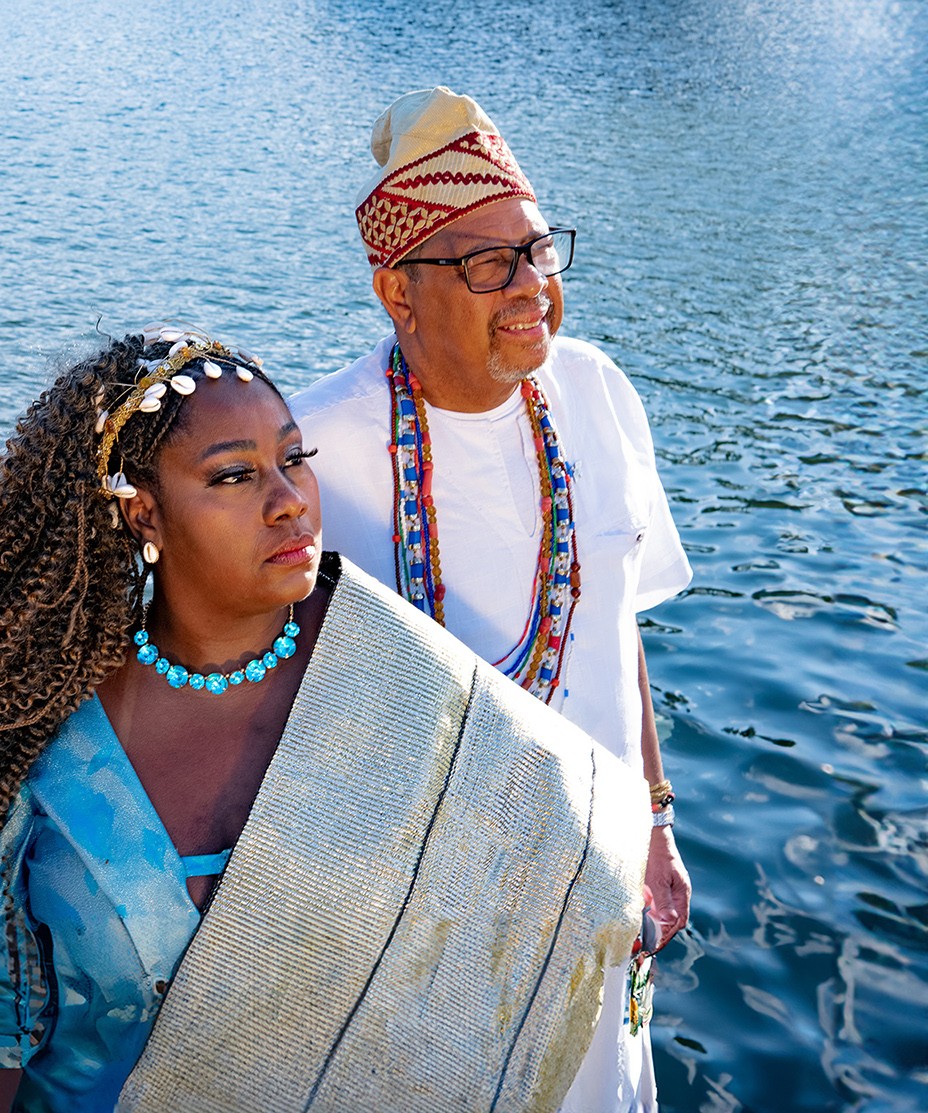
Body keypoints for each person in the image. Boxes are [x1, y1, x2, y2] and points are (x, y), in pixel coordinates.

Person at [0, 326, 652, 1113]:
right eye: (234, 474)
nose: (290, 500)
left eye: (295, 458)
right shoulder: (35, 734)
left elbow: (552, 892)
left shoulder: (400, 679)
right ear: (143, 516)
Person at [290, 87, 694, 1113]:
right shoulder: (306, 449)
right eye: (486, 263)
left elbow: (614, 627)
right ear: (397, 291)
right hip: (418, 922)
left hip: (599, 887)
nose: (530, 288)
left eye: (538, 250)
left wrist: (655, 823)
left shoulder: (595, 389)